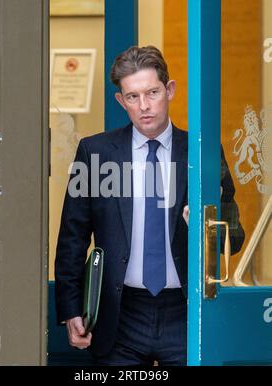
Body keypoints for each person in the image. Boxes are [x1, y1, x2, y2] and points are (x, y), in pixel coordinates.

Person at [54, 45, 245, 366]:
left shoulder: (203, 152)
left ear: (169, 90)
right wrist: (71, 308)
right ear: (121, 100)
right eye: (132, 97)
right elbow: (72, 237)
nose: (144, 106)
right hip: (120, 314)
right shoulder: (95, 152)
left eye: (152, 92)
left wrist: (203, 230)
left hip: (185, 312)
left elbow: (234, 239)